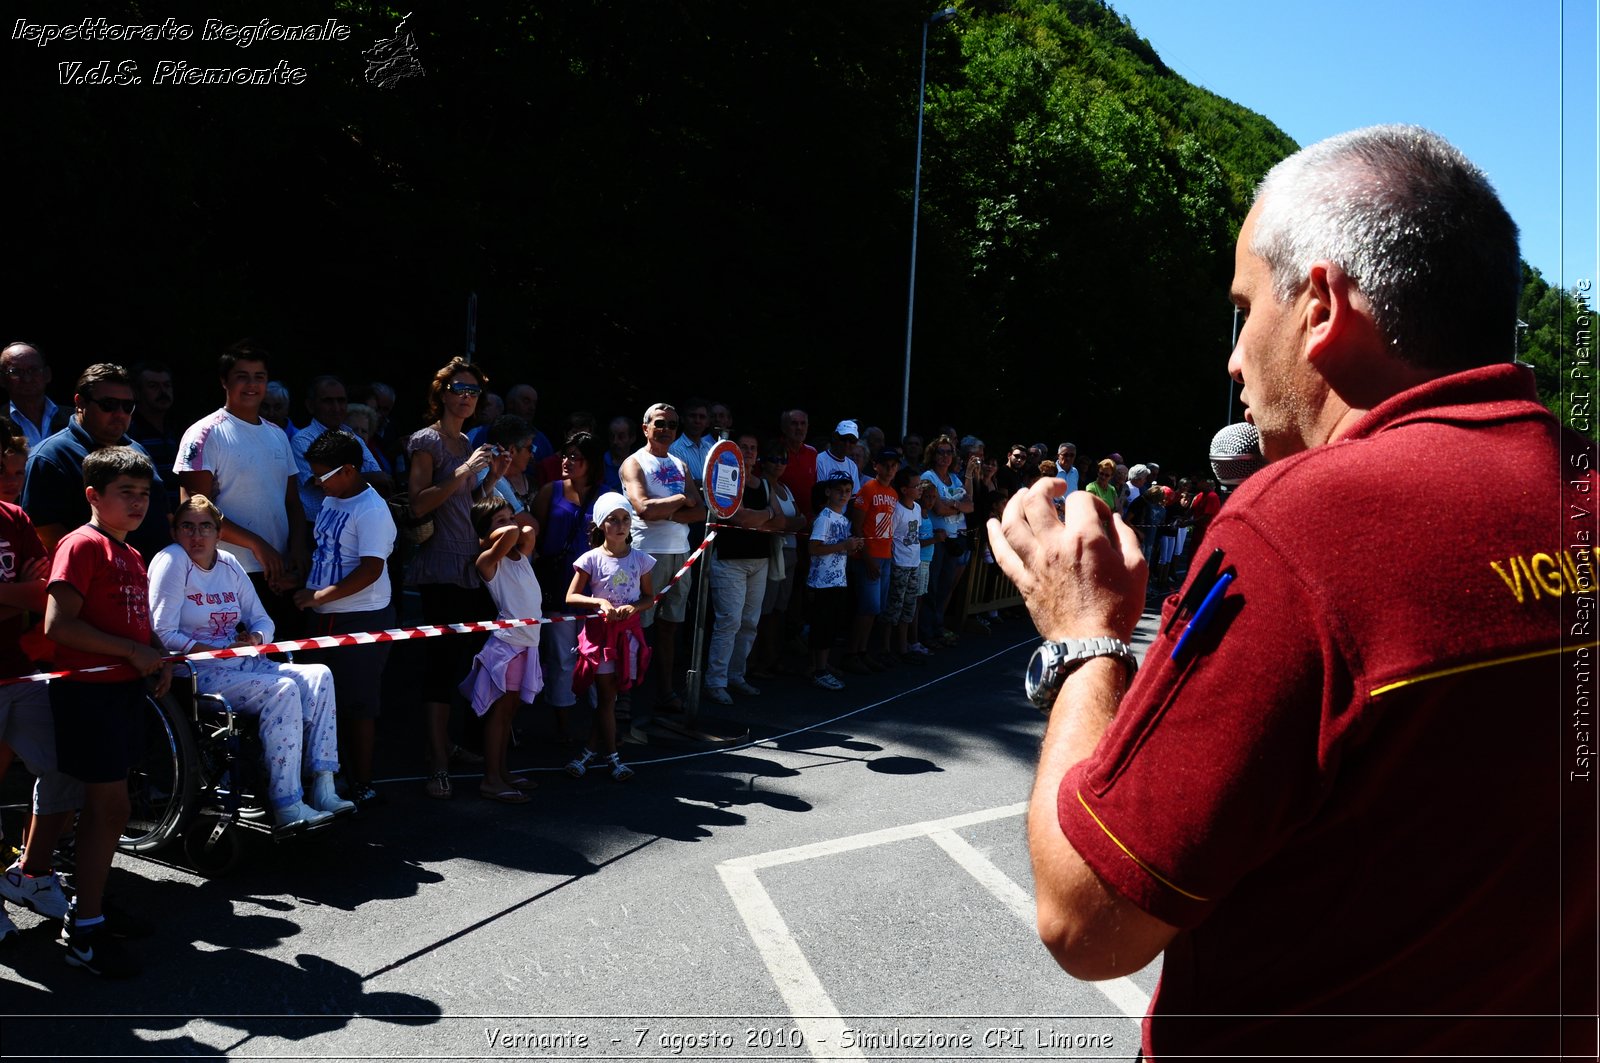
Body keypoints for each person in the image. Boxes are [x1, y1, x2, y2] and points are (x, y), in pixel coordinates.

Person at [990, 125, 1596, 1060]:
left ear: (1320, 304)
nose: (1234, 357)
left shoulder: (1304, 526)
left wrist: (1086, 636)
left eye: (1244, 308)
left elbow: (1089, 914)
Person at [43, 447, 172, 978]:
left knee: (110, 810)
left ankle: (92, 908)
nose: (138, 503)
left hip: (122, 693)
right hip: (88, 696)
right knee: (107, 809)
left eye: (144, 494)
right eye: (126, 493)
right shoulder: (81, 544)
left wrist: (156, 650)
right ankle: (85, 928)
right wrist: (130, 653)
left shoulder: (132, 553)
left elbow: (135, 624)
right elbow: (58, 625)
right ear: (94, 495)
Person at [150, 494, 351, 829]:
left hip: (241, 664)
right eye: (187, 527)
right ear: (175, 531)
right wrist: (200, 647)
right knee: (283, 689)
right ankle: (287, 802)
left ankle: (324, 785)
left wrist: (255, 639)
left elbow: (263, 620)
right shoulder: (172, 561)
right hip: (199, 673)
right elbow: (161, 631)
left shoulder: (228, 563)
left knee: (319, 674)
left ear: (219, 533)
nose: (196, 536)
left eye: (205, 528)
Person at [404, 358, 511, 799]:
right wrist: (466, 471)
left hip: (469, 562)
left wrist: (490, 483)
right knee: (441, 667)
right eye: (459, 388)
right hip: (439, 567)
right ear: (442, 392)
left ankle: (448, 744)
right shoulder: (427, 440)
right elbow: (418, 505)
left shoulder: (466, 440)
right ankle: (438, 765)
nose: (467, 396)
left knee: (468, 660)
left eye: (474, 391)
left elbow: (464, 509)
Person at [293, 430, 397, 807]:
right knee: (318, 704)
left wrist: (320, 595)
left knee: (357, 705)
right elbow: (327, 552)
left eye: (324, 475)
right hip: (323, 619)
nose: (318, 483)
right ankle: (325, 780)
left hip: (361, 620)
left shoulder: (371, 510)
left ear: (350, 470)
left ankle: (363, 783)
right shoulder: (333, 499)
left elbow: (370, 569)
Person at [174, 345, 308, 637]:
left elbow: (293, 503)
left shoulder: (277, 435)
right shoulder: (204, 433)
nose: (252, 385)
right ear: (224, 381)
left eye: (259, 376)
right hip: (226, 575)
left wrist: (297, 551)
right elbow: (196, 510)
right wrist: (258, 545)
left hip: (278, 574)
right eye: (242, 376)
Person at [0, 473, 80, 940]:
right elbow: (27, 593)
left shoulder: (13, 517)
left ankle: (29, 874)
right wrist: (18, 596)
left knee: (65, 765)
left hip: (20, 670)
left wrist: (19, 597)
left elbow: (43, 594)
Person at [21, 362, 173, 562]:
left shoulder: (137, 449)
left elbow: (164, 515)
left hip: (156, 575)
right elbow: (45, 534)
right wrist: (108, 569)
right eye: (108, 405)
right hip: (95, 582)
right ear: (80, 403)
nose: (120, 413)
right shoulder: (50, 457)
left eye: (128, 406)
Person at [619, 403, 705, 711]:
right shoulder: (634, 462)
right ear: (645, 428)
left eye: (671, 424)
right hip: (646, 554)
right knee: (638, 626)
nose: (666, 429)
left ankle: (665, 692)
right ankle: (626, 694)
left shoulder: (681, 465)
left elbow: (701, 512)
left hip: (680, 553)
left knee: (670, 626)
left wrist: (667, 510)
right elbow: (644, 508)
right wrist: (681, 500)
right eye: (659, 423)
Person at [458, 497, 542, 804]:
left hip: (527, 644)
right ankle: (491, 779)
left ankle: (502, 771)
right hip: (508, 647)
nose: (509, 525)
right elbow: (513, 534)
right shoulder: (488, 561)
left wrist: (512, 525)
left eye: (510, 517)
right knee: (499, 714)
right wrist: (505, 530)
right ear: (484, 535)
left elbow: (529, 530)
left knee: (509, 716)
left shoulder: (520, 557)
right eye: (499, 520)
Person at [565, 492, 651, 781]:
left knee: (609, 699)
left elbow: (649, 597)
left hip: (627, 638)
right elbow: (572, 596)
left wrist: (633, 606)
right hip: (601, 639)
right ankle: (614, 758)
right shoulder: (591, 559)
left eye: (625, 519)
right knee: (605, 697)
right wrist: (599, 603)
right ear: (601, 524)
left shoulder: (641, 559)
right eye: (613, 519)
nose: (620, 525)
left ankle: (589, 752)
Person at [532, 431, 606, 731]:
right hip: (558, 587)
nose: (566, 461)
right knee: (561, 658)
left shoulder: (606, 495)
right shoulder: (551, 491)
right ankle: (563, 724)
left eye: (575, 456)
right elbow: (533, 536)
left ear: (590, 463)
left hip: (594, 590)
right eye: (565, 454)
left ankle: (600, 724)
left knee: (594, 659)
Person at [702, 432, 775, 706]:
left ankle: (735, 675)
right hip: (729, 560)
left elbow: (786, 519)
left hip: (760, 560)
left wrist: (766, 516)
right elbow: (741, 517)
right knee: (729, 621)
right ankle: (715, 681)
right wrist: (766, 515)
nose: (748, 452)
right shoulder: (725, 479)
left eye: (753, 448)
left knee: (749, 623)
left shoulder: (764, 484)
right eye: (743, 447)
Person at [291, 375, 390, 523]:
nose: (336, 408)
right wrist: (370, 478)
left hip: (352, 526)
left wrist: (347, 476)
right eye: (328, 401)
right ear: (310, 406)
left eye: (341, 400)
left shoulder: (352, 436)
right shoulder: (302, 440)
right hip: (316, 528)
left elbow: (381, 480)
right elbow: (322, 482)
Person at [803, 478, 861, 690]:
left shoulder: (844, 520)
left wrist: (851, 546)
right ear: (828, 492)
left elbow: (841, 548)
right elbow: (814, 548)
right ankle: (819, 670)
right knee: (822, 627)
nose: (844, 495)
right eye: (839, 491)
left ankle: (820, 665)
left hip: (838, 579)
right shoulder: (825, 518)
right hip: (822, 582)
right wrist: (843, 545)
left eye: (847, 491)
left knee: (829, 626)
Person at [919, 434, 975, 646]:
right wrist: (957, 505)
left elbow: (970, 505)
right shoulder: (929, 476)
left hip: (953, 540)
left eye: (948, 452)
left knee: (945, 586)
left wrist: (955, 505)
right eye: (940, 452)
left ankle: (937, 627)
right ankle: (926, 633)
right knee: (931, 587)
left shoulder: (954, 478)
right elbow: (939, 509)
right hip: (935, 540)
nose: (944, 456)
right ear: (933, 455)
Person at [2, 342, 62, 447]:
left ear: (47, 374)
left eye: (33, 370)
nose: (27, 379)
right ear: (2, 379)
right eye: (15, 371)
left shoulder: (76, 419)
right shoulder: (1, 422)